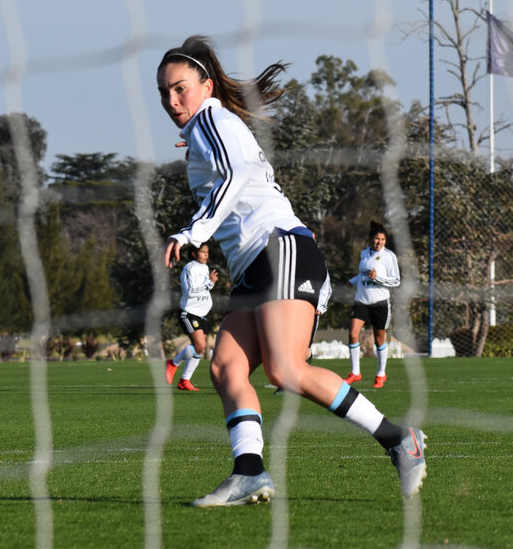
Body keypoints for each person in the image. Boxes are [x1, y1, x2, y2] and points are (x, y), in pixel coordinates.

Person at [158, 35, 426, 507]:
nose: (172, 100)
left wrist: (192, 231)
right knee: (225, 367)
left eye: (180, 88)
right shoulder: (210, 125)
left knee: (285, 370)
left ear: (205, 85)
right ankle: (249, 472)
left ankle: (399, 439)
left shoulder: (210, 119)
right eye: (164, 93)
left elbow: (237, 176)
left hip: (280, 248)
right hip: (254, 265)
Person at [344, 221, 400, 389]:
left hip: (380, 303)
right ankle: (355, 373)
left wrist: (378, 278)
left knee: (379, 340)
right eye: (377, 239)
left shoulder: (389, 256)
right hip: (361, 300)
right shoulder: (364, 254)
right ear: (370, 239)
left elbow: (396, 280)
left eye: (382, 239)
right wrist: (352, 281)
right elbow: (363, 275)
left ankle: (380, 375)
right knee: (353, 334)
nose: (379, 242)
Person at [166, 243, 219, 391]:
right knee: (200, 346)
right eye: (203, 252)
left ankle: (184, 381)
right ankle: (173, 364)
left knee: (200, 350)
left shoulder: (205, 267)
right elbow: (190, 291)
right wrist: (210, 283)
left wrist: (210, 283)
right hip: (189, 313)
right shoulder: (190, 268)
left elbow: (204, 289)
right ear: (194, 254)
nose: (206, 255)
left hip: (201, 314)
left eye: (207, 252)